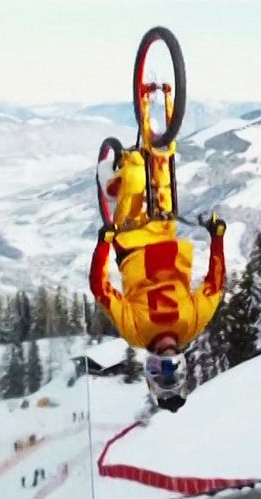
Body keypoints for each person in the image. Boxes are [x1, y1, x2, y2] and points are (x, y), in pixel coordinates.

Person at [90, 148, 227, 413]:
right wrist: (217, 238)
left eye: (159, 370)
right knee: (161, 160)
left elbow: (101, 289)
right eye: (172, 370)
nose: (166, 361)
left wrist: (104, 245)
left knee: (136, 172)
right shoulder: (191, 324)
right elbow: (215, 285)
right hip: (165, 236)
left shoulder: (136, 332)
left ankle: (111, 182)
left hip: (131, 244)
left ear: (150, 368)